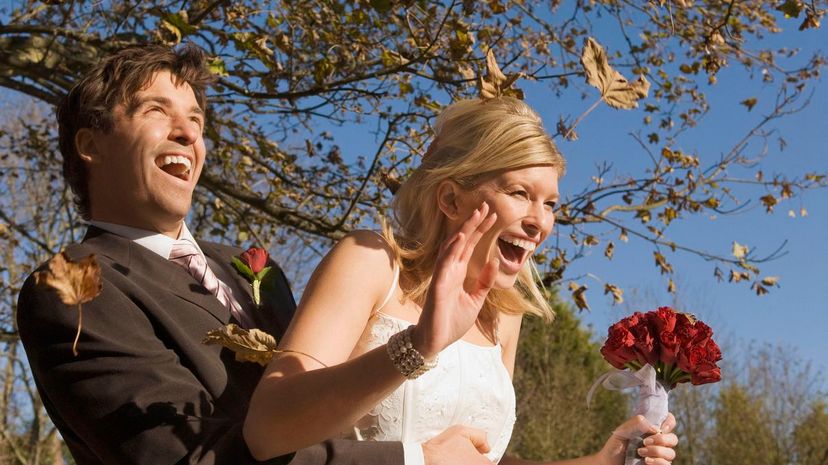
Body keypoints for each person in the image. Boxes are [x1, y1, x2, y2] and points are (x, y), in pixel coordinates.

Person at [16, 43, 492, 465]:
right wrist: (413, 461)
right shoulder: (72, 284)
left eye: (196, 119)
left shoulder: (254, 270)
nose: (187, 132)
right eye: (156, 111)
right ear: (89, 145)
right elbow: (189, 455)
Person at [244, 97, 680, 465]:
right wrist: (416, 347)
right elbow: (266, 430)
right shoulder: (370, 261)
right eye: (520, 194)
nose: (540, 223)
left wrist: (601, 461)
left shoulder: (504, 317)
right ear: (451, 197)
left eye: (550, 204)